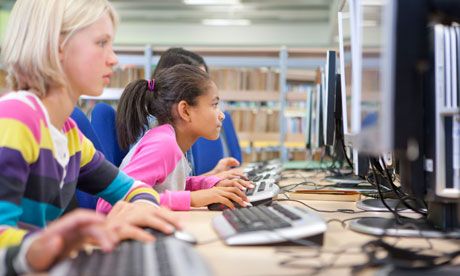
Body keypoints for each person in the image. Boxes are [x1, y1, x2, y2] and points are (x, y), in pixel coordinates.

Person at [0, 0, 180, 273]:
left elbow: (135, 188)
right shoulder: (16, 118)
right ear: (57, 46)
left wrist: (137, 208)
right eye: (101, 43)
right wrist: (53, 243)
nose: (114, 58)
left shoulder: (70, 136)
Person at [97, 64, 251, 212]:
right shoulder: (162, 144)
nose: (222, 115)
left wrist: (212, 183)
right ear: (185, 111)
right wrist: (191, 199)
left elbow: (172, 185)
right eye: (214, 105)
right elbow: (111, 203)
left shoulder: (172, 141)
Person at [151, 48, 245, 179]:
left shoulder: (180, 134)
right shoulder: (159, 141)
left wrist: (213, 177)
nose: (204, 87)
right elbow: (134, 195)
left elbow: (180, 187)